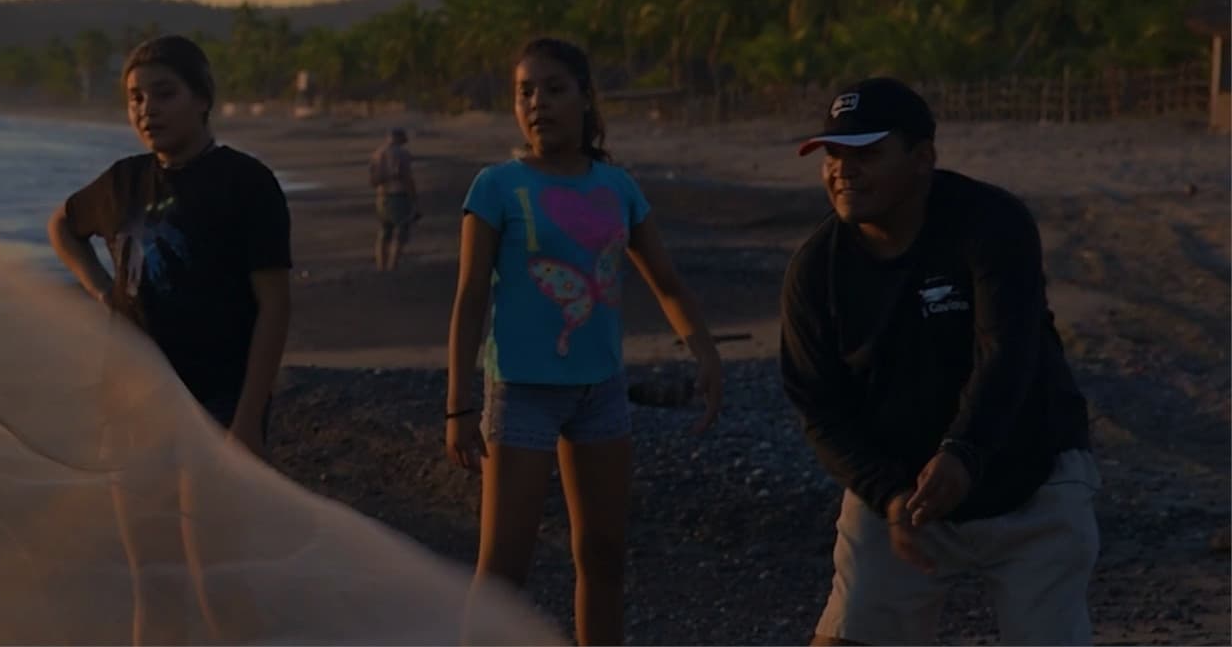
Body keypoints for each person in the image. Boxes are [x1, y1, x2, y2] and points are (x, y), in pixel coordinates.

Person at [780, 77, 1098, 647]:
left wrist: (963, 452)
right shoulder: (814, 271)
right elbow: (819, 407)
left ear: (923, 157)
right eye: (832, 154)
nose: (843, 170)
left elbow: (1007, 351)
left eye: (867, 153)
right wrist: (889, 492)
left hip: (1031, 475)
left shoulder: (991, 223)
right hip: (903, 495)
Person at [445, 37, 723, 647]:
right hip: (520, 392)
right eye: (525, 92)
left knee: (602, 556)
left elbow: (666, 281)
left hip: (601, 392)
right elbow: (470, 299)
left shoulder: (617, 185)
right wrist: (459, 403)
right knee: (503, 571)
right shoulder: (495, 186)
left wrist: (704, 352)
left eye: (554, 88)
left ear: (585, 98)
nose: (537, 103)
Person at [48, 34, 292, 453]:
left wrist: (249, 418)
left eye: (164, 94)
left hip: (218, 396)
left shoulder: (246, 182)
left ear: (201, 99)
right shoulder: (122, 181)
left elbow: (275, 305)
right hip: (129, 387)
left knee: (206, 518)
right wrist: (102, 290)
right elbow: (62, 226)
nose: (147, 110)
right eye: (135, 98)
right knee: (138, 517)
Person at [370, 127, 419, 271]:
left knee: (384, 231)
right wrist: (414, 199)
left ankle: (381, 265)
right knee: (401, 231)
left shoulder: (377, 153)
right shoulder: (402, 154)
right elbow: (406, 178)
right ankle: (393, 265)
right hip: (399, 195)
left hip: (382, 196)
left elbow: (373, 180)